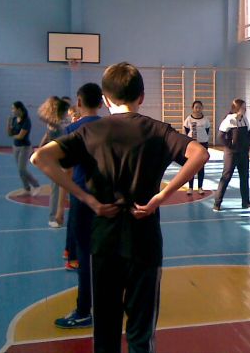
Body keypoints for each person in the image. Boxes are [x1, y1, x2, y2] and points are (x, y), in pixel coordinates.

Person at [31, 62, 209, 353]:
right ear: (142, 96)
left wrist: (87, 199)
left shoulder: (89, 132)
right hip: (144, 242)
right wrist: (161, 197)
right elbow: (200, 154)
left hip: (104, 241)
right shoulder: (157, 130)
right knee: (141, 334)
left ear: (105, 99)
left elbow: (39, 158)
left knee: (105, 332)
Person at [54, 83, 103, 328]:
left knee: (85, 255)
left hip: (83, 198)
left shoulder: (72, 130)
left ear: (79, 103)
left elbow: (66, 170)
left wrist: (60, 206)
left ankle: (84, 310)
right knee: (108, 254)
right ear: (102, 103)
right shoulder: (112, 127)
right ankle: (113, 304)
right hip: (108, 199)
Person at [213, 99, 250, 212]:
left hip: (243, 153)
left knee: (244, 177)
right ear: (237, 108)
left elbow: (248, 134)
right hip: (231, 154)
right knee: (226, 177)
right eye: (243, 107)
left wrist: (247, 146)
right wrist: (230, 146)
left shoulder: (245, 119)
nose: (245, 109)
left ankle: (245, 202)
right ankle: (217, 203)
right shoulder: (229, 120)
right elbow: (220, 137)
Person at [37, 96, 71, 228]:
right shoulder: (55, 124)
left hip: (68, 159)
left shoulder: (65, 123)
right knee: (56, 188)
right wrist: (41, 148)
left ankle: (60, 215)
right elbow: (48, 134)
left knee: (69, 187)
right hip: (57, 160)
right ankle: (53, 217)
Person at [8, 101, 40, 196]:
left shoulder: (26, 120)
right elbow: (9, 133)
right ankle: (27, 189)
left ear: (19, 109)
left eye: (13, 108)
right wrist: (8, 123)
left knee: (22, 169)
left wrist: (14, 135)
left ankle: (36, 185)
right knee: (20, 170)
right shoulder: (14, 119)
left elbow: (21, 136)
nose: (12, 110)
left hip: (24, 147)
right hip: (15, 147)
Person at [183, 100, 210, 195]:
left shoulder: (205, 120)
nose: (198, 109)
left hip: (203, 144)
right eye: (196, 107)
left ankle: (200, 187)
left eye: (200, 107)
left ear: (202, 108)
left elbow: (207, 131)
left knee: (201, 166)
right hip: (192, 144)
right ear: (193, 108)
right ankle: (190, 187)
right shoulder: (189, 119)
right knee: (191, 166)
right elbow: (186, 131)